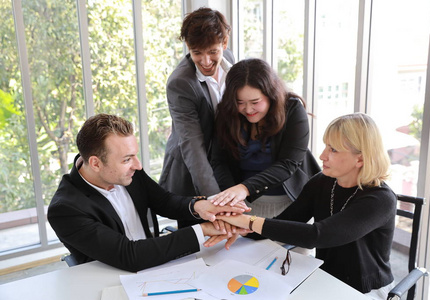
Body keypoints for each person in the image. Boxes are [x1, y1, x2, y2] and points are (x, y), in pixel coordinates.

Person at [211, 113, 397, 299]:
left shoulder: (380, 199)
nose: (322, 156)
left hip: (364, 291)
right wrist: (242, 228)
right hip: (324, 278)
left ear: (360, 159)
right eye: (326, 146)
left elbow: (316, 235)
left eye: (333, 150)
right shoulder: (323, 182)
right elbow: (287, 221)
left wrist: (247, 221)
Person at [48, 114, 248, 272]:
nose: (138, 165)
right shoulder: (65, 209)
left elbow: (164, 201)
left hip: (158, 264)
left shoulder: (126, 172)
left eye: (135, 155)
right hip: (114, 279)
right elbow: (129, 255)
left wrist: (200, 207)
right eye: (127, 159)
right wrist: (202, 230)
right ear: (95, 163)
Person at [210, 58, 320, 218]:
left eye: (255, 102)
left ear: (271, 94)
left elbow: (287, 164)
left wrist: (244, 188)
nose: (248, 109)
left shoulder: (292, 110)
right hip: (243, 204)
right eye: (240, 102)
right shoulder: (227, 113)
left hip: (290, 202)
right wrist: (232, 197)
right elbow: (219, 161)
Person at [159, 7, 235, 228]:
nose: (205, 60)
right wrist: (216, 202)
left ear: (225, 43)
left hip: (224, 165)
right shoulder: (180, 83)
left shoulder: (229, 59)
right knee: (196, 250)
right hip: (191, 175)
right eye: (196, 52)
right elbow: (193, 147)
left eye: (212, 51)